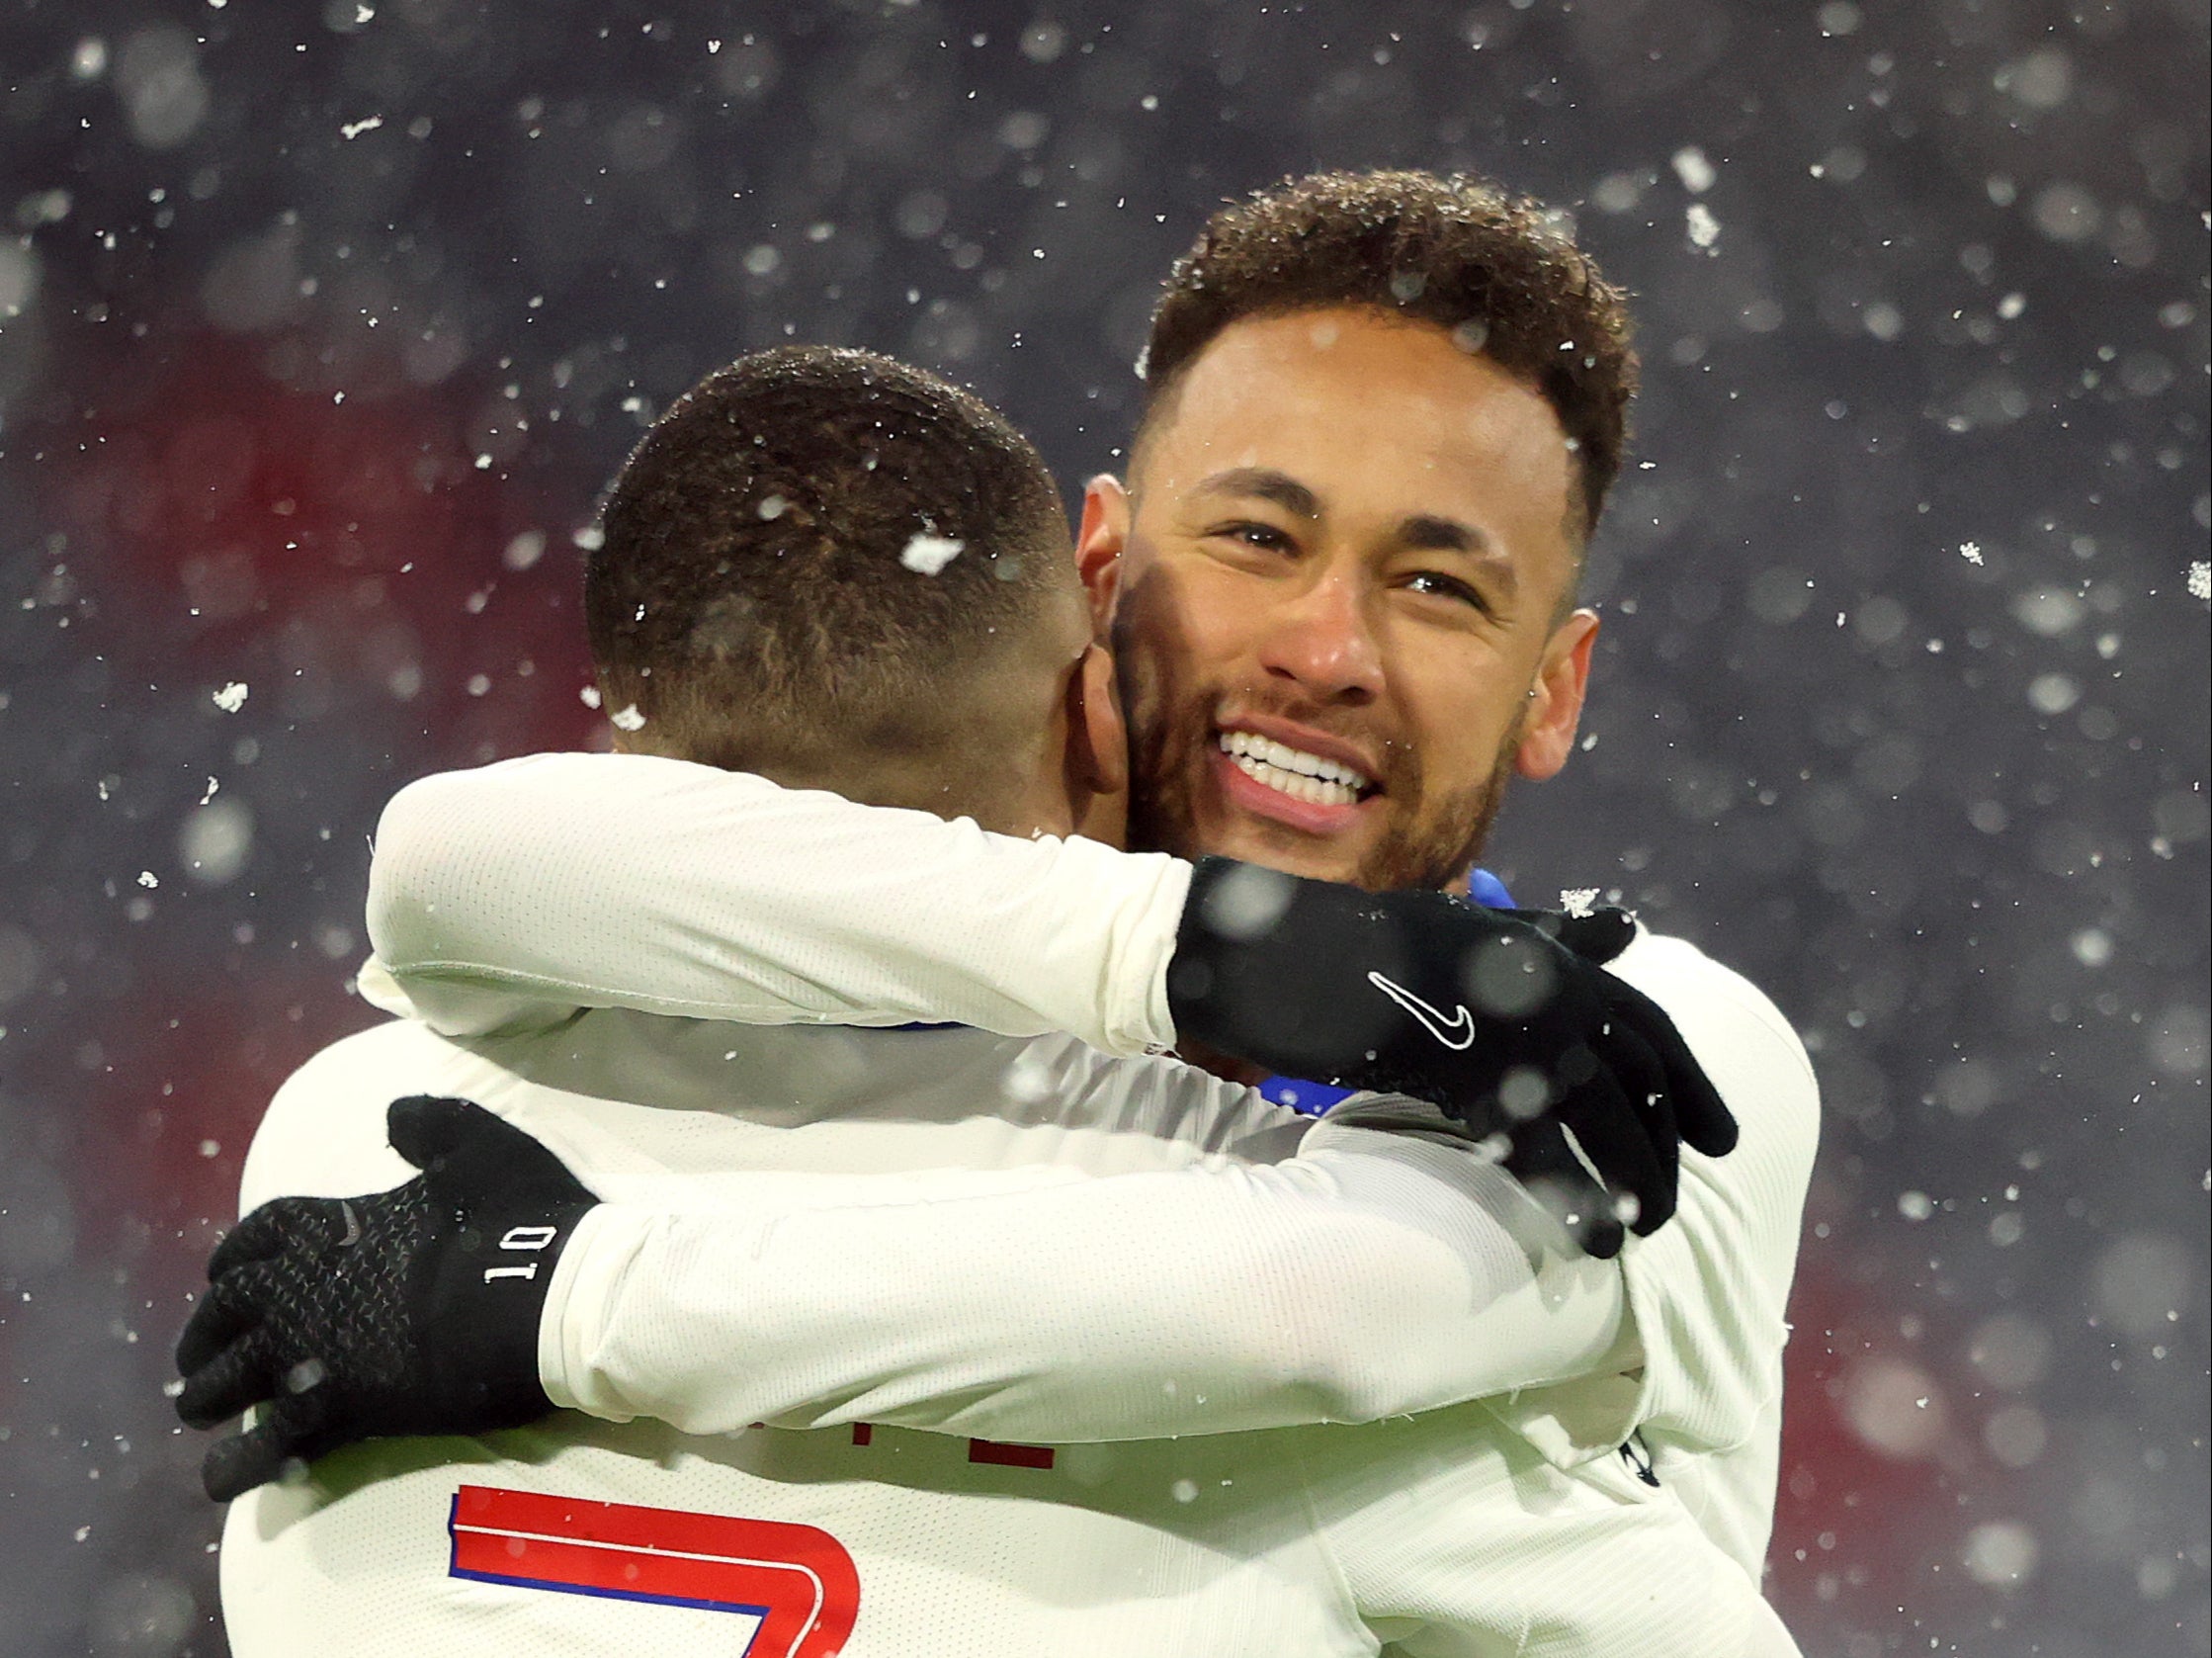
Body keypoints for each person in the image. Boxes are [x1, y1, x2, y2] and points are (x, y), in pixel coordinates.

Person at [181, 173, 1817, 1655]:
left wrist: (563, 1293)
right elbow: (463, 857)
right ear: (1101, 574)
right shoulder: (1093, 1181)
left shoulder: (1642, 1046)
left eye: (1437, 584)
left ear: (1555, 689)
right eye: (1258, 535)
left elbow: (1307, 1309)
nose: (1327, 648)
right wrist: (1218, 957)